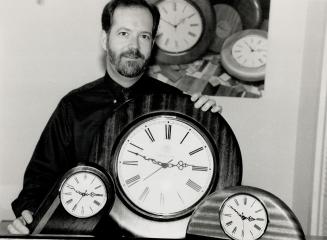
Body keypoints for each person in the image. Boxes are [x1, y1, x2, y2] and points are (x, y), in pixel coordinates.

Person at [7, 0, 220, 235]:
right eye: (123, 33)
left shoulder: (178, 105)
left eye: (144, 36)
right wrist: (28, 214)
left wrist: (210, 123)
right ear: (104, 40)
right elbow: (40, 179)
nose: (134, 46)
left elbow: (204, 184)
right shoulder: (74, 106)